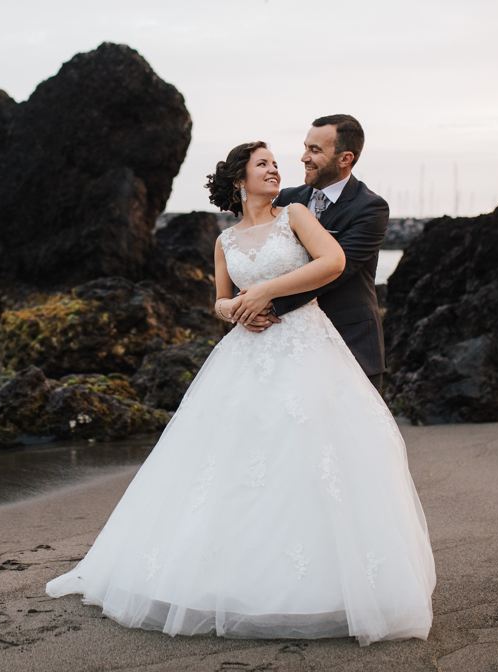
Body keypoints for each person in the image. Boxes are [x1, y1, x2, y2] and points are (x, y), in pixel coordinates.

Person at [45, 141, 436, 645]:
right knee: (231, 464)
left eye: (275, 163)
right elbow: (219, 300)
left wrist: (266, 292)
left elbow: (333, 262)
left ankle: (338, 592)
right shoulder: (225, 240)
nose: (275, 169)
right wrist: (235, 312)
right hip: (246, 353)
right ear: (239, 181)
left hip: (307, 348)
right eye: (263, 165)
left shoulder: (294, 214)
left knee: (313, 455)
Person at [244, 115, 389, 391]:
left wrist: (267, 302)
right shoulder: (286, 199)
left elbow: (335, 271)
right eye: (305, 147)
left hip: (350, 342)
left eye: (315, 150)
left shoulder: (370, 208)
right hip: (289, 343)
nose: (304, 157)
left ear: (345, 158)